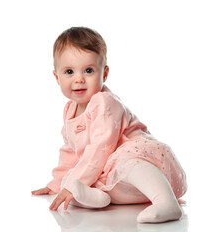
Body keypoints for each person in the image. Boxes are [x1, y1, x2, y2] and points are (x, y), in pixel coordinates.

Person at [31, 27, 187, 223]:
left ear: (104, 73)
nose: (79, 79)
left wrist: (72, 183)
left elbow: (100, 148)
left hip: (137, 167)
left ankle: (165, 201)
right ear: (57, 77)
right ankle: (96, 199)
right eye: (69, 72)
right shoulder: (69, 109)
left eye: (88, 70)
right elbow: (70, 153)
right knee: (70, 182)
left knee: (127, 164)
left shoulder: (104, 102)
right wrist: (57, 184)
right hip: (115, 183)